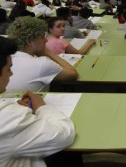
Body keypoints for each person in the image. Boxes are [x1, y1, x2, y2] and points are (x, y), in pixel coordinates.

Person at [0, 36, 76, 167]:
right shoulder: (8, 117)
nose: (11, 74)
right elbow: (63, 135)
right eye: (8, 69)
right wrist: (42, 107)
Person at [6, 17, 78, 91]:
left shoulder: (6, 59)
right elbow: (73, 74)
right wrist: (48, 52)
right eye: (42, 37)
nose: (46, 40)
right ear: (29, 41)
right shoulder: (42, 63)